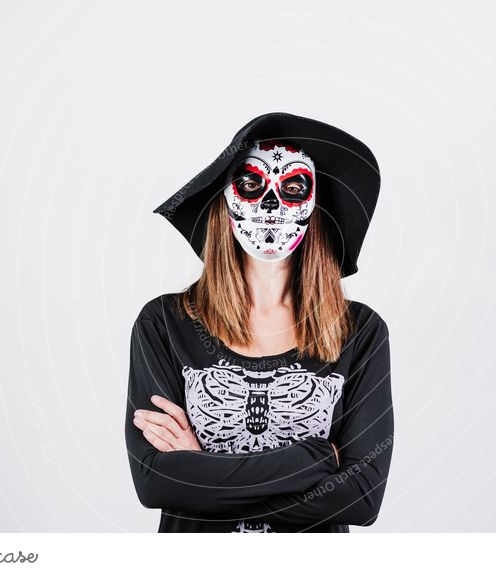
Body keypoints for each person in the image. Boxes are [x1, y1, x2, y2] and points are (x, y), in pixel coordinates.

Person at [125, 112, 394, 533]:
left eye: (291, 189)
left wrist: (203, 472)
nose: (271, 204)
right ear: (226, 203)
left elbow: (361, 499)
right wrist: (317, 458)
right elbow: (156, 483)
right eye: (251, 185)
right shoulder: (164, 325)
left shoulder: (358, 332)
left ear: (313, 206)